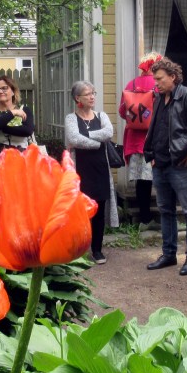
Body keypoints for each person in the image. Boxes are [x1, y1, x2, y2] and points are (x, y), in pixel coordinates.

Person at [142, 57, 187, 276]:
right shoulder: (159, 97)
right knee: (166, 211)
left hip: (181, 165)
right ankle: (169, 255)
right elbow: (157, 128)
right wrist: (152, 154)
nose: (156, 83)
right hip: (160, 164)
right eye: (155, 79)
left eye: (159, 79)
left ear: (173, 77)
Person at [64, 81, 119, 265]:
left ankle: (97, 249)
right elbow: (73, 138)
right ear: (77, 98)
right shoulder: (71, 118)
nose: (92, 97)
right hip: (81, 171)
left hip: (100, 169)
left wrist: (86, 137)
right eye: (87, 94)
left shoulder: (101, 115)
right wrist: (96, 142)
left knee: (99, 210)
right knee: (80, 211)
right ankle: (78, 249)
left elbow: (108, 133)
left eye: (93, 93)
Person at [119, 52, 161, 231]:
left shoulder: (131, 84)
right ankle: (165, 218)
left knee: (141, 181)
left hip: (135, 139)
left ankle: (144, 218)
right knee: (160, 178)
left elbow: (123, 112)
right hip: (155, 138)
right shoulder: (159, 84)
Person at [0, 75, 35, 165]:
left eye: (4, 88)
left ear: (13, 91)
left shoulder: (24, 110)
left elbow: (27, 131)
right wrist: (12, 113)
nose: (0, 91)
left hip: (22, 161)